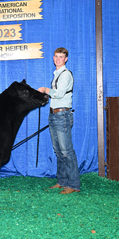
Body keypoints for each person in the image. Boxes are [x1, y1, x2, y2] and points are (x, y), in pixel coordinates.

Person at [38, 47, 80, 194]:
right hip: (54, 114)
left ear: (66, 59)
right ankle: (62, 181)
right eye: (56, 56)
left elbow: (60, 93)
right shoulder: (56, 75)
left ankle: (74, 184)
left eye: (61, 57)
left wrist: (45, 90)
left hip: (62, 115)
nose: (57, 59)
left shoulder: (66, 74)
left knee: (66, 151)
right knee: (58, 150)